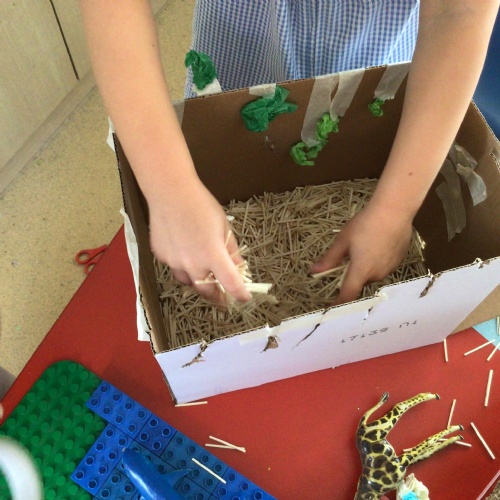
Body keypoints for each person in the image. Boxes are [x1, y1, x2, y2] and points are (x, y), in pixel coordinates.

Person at [79, 0, 499, 305]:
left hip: (373, 70)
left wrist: (395, 209)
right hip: (237, 59)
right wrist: (171, 192)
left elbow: (459, 11)